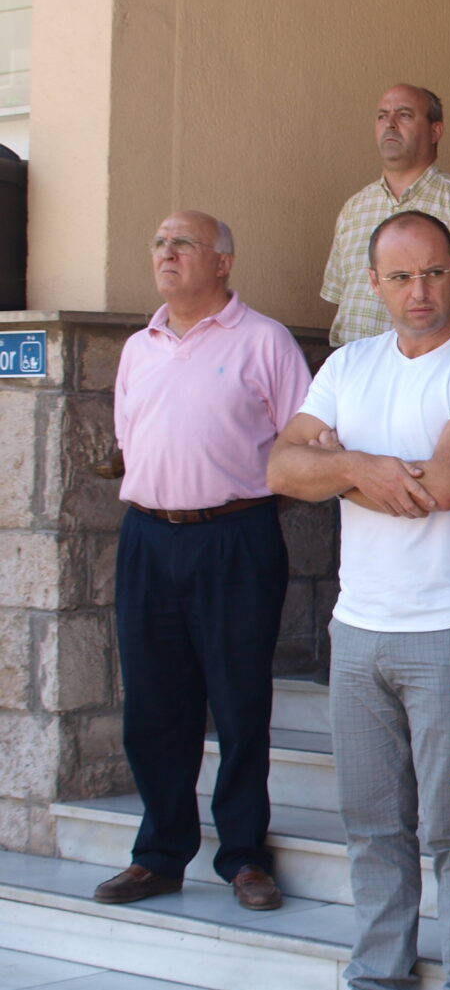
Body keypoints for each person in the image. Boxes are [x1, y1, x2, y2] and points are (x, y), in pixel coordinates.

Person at [270, 210, 450, 990]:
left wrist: (338, 465)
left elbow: (443, 486)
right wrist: (365, 468)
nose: (420, 292)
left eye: (434, 273)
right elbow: (280, 468)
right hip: (358, 625)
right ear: (374, 284)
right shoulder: (349, 364)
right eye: (401, 277)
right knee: (371, 823)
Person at [95, 212, 310, 912]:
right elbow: (131, 440)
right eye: (160, 242)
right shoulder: (139, 348)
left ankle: (243, 855)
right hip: (148, 538)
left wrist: (240, 513)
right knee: (154, 704)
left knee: (240, 701)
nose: (167, 253)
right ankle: (159, 855)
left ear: (223, 262)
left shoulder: (265, 341)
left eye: (183, 243)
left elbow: (305, 447)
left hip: (234, 537)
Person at [319, 83, 450, 346]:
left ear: (436, 131)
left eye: (404, 115)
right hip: (353, 366)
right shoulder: (354, 209)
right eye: (382, 116)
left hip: (437, 366)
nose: (390, 124)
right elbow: (340, 298)